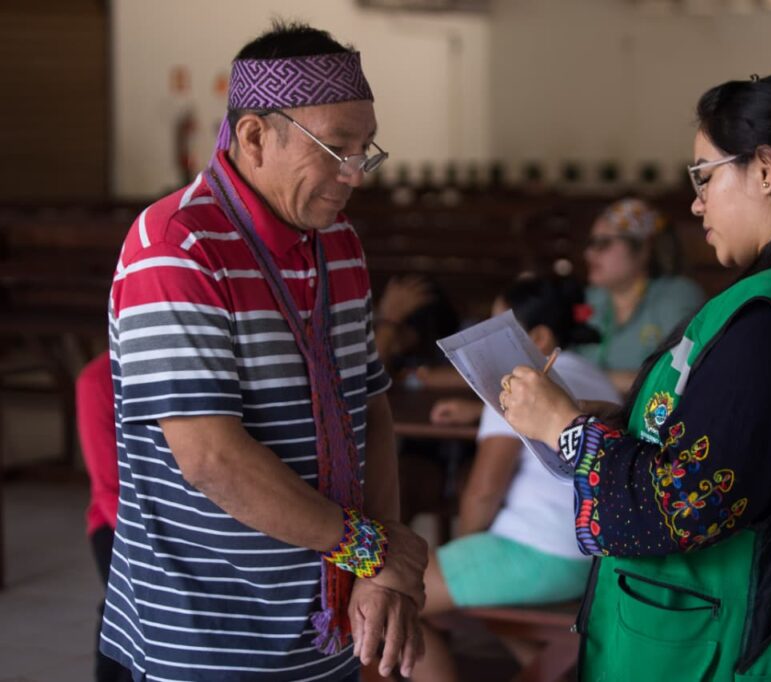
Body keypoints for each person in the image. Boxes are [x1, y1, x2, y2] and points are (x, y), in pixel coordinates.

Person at [499, 71, 771, 681]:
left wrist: (563, 427)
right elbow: (756, 451)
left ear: (764, 170)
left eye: (705, 175)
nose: (696, 203)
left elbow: (682, 505)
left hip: (723, 647)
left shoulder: (768, 317)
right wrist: (618, 424)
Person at [99, 22, 427, 681]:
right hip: (205, 638)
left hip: (327, 626)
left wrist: (381, 569)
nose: (354, 175)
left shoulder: (338, 244)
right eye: (335, 148)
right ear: (253, 136)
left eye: (365, 150)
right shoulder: (177, 245)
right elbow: (212, 460)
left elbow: (371, 409)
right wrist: (371, 550)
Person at [411, 276, 620, 682]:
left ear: (538, 337)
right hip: (590, 557)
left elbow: (485, 489)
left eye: (495, 331)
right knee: (470, 595)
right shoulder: (595, 377)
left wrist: (463, 549)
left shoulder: (518, 386)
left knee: (395, 593)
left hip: (536, 553)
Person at [575, 197, 706, 394]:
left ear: (643, 249)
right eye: (590, 243)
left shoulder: (678, 296)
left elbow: (679, 376)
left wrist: (590, 379)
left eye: (602, 243)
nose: (589, 254)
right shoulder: (590, 298)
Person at [77, 354, 133, 682]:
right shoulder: (97, 380)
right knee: (125, 607)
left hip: (184, 520)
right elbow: (108, 490)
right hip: (116, 522)